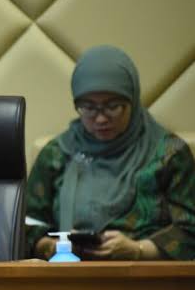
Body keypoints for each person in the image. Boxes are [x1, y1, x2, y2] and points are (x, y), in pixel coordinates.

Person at [27, 45, 195, 261]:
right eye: (88, 107)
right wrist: (54, 247)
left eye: (113, 106)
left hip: (146, 274)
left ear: (132, 101)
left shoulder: (169, 153)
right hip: (69, 272)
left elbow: (190, 229)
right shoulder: (57, 153)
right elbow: (27, 225)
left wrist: (139, 250)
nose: (101, 119)